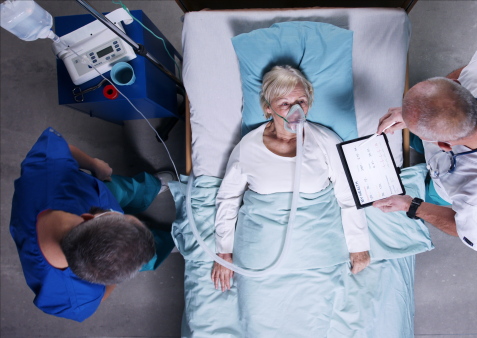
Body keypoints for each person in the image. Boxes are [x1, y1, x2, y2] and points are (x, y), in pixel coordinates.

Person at [212, 65, 371, 291]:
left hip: (315, 246)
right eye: (285, 104)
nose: (296, 110)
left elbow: (348, 194)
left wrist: (359, 247)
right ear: (268, 108)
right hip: (263, 250)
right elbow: (228, 198)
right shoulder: (248, 147)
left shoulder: (325, 141)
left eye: (301, 102)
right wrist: (224, 251)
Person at [374, 41, 477, 251]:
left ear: (444, 145)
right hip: (444, 143)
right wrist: (414, 113)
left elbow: (464, 230)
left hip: (445, 185)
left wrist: (410, 205)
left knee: (431, 194)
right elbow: (464, 73)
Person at [9, 127, 174, 322]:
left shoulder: (44, 175)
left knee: (120, 190)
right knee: (140, 256)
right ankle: (172, 242)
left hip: (96, 187)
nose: (124, 214)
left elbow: (61, 149)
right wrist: (117, 269)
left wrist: (94, 165)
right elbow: (102, 292)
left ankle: (150, 187)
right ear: (89, 216)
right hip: (94, 198)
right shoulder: (71, 299)